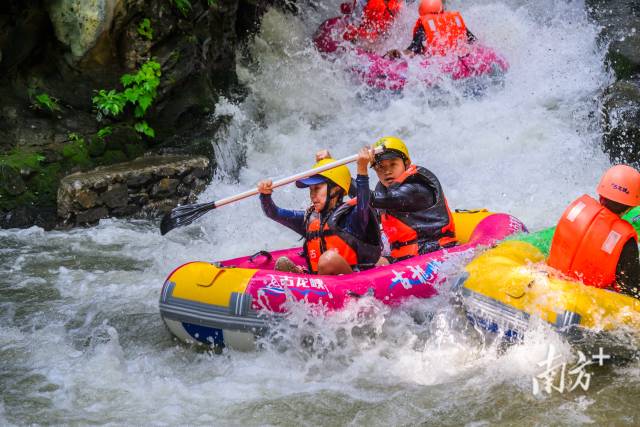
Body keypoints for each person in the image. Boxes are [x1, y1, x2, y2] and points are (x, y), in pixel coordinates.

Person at [257, 152, 381, 275]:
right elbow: (273, 213)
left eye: (317, 188)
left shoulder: (353, 215)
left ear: (336, 189)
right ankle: (304, 281)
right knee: (282, 263)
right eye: (311, 190)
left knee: (328, 260)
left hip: (353, 281)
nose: (312, 195)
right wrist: (265, 195)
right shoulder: (309, 219)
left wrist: (362, 169)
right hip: (319, 283)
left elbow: (364, 200)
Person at [547, 165, 640, 298]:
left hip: (550, 286)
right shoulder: (625, 241)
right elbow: (633, 290)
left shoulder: (576, 212)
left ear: (601, 195)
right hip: (587, 303)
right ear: (630, 208)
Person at [385, 0, 476, 59]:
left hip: (438, 62)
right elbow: (474, 42)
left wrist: (398, 53)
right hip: (458, 57)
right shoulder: (453, 20)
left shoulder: (424, 26)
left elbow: (411, 51)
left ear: (421, 12)